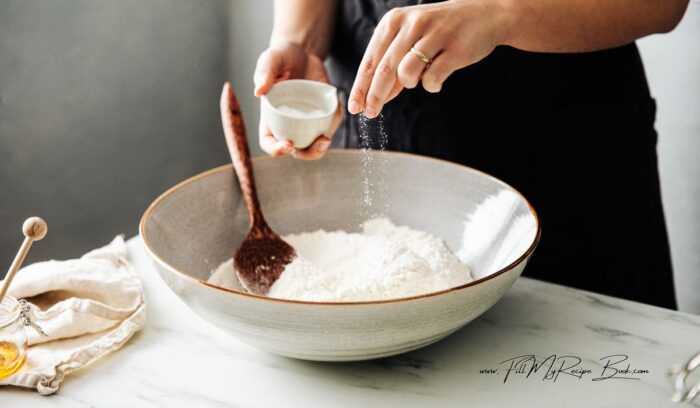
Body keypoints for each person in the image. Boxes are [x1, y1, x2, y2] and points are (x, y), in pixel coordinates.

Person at [253, 0, 689, 309]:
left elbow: (665, 5)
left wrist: (502, 12)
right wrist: (301, 43)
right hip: (380, 114)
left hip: (568, 155)